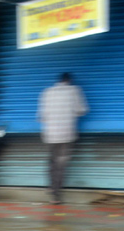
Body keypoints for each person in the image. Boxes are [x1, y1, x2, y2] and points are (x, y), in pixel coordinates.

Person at [38, 72, 88, 205]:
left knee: (52, 162)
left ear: (58, 80)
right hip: (66, 134)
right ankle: (55, 195)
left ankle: (51, 187)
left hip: (50, 134)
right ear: (69, 80)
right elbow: (82, 110)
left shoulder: (47, 92)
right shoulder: (74, 91)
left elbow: (41, 116)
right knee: (61, 164)